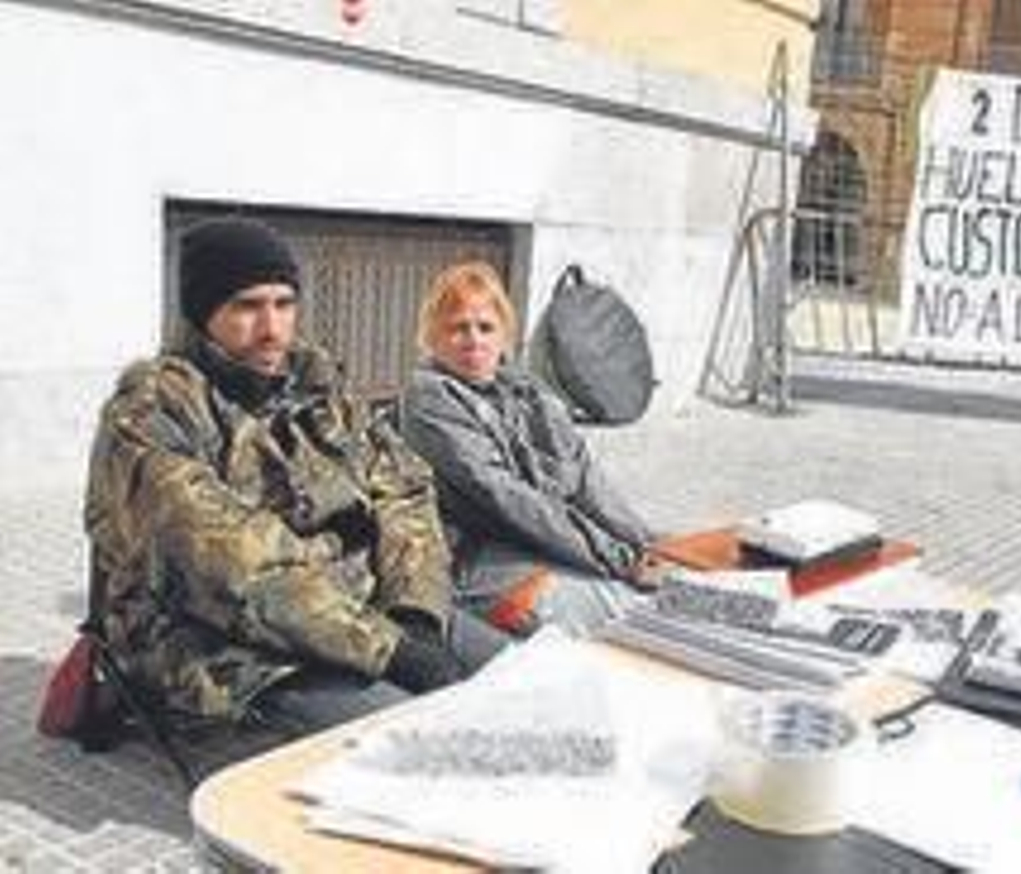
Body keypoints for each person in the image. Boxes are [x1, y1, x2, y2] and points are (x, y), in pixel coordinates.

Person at [84, 218, 504, 735]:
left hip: (352, 606)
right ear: (201, 313)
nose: (272, 328)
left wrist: (414, 613)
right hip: (216, 639)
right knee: (416, 737)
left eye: (284, 303)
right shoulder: (151, 412)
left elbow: (403, 489)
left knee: (517, 679)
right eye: (246, 306)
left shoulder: (316, 384)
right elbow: (233, 567)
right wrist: (389, 650)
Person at [399, 261, 654, 637]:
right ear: (433, 337)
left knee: (672, 583)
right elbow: (506, 498)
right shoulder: (430, 398)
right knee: (611, 613)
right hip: (480, 561)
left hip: (546, 544)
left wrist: (643, 543)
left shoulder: (526, 392)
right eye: (458, 328)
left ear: (504, 336)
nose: (474, 339)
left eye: (486, 327)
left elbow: (583, 475)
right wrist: (615, 558)